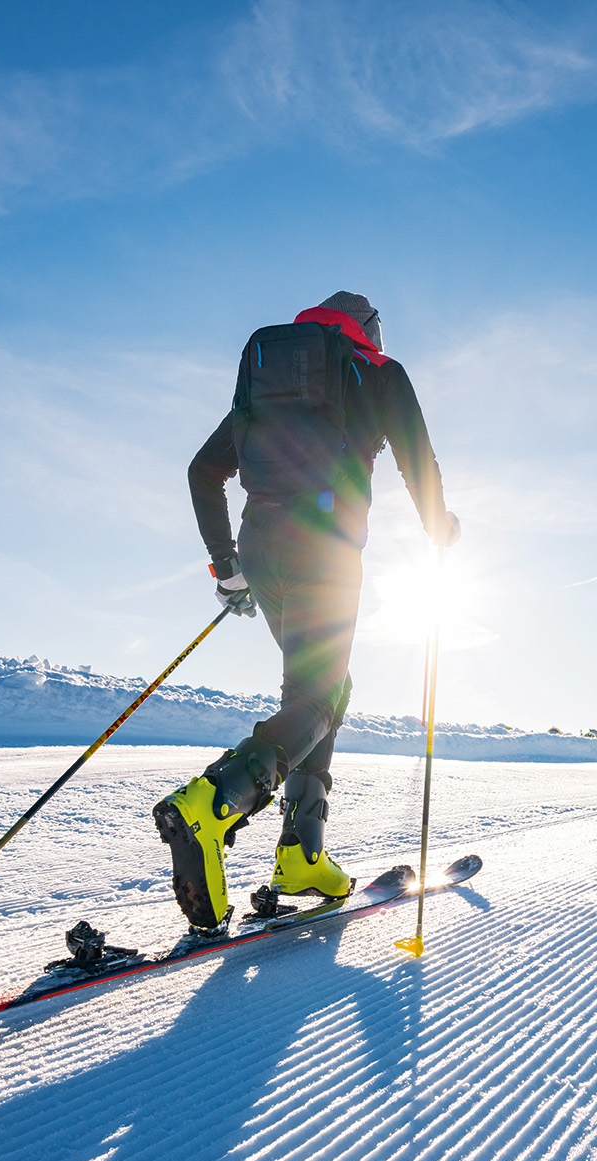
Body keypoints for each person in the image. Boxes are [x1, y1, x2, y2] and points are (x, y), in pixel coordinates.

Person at [153, 292, 459, 930]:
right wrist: (440, 526)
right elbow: (416, 459)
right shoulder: (376, 373)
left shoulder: (268, 381)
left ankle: (301, 853)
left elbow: (202, 472)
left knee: (318, 691)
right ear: (369, 330)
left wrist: (228, 567)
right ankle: (214, 801)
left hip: (263, 548)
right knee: (321, 699)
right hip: (325, 549)